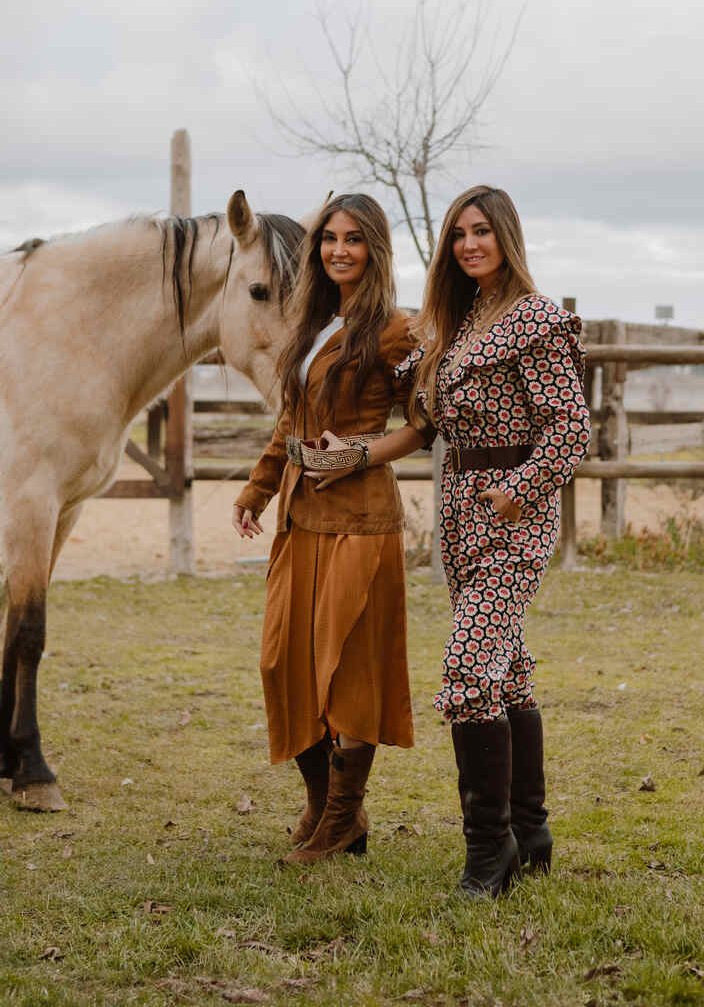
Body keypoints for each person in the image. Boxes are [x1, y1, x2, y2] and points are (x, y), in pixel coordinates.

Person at [314, 185, 590, 896]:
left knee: (468, 675)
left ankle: (486, 852)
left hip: (512, 516)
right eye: (459, 234)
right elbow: (418, 413)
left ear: (507, 237)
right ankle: (531, 832)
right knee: (506, 668)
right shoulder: (454, 325)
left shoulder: (535, 321)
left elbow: (570, 426)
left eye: (482, 232)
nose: (470, 244)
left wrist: (522, 489)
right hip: (458, 513)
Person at [231, 193, 430, 865]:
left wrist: (361, 451)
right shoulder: (309, 323)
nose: (339, 250)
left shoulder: (398, 331)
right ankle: (325, 807)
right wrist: (258, 488)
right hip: (299, 514)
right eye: (329, 240)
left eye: (354, 240)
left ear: (375, 249)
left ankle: (341, 818)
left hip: (361, 518)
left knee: (347, 672)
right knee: (283, 664)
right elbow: (290, 418)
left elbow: (424, 423)